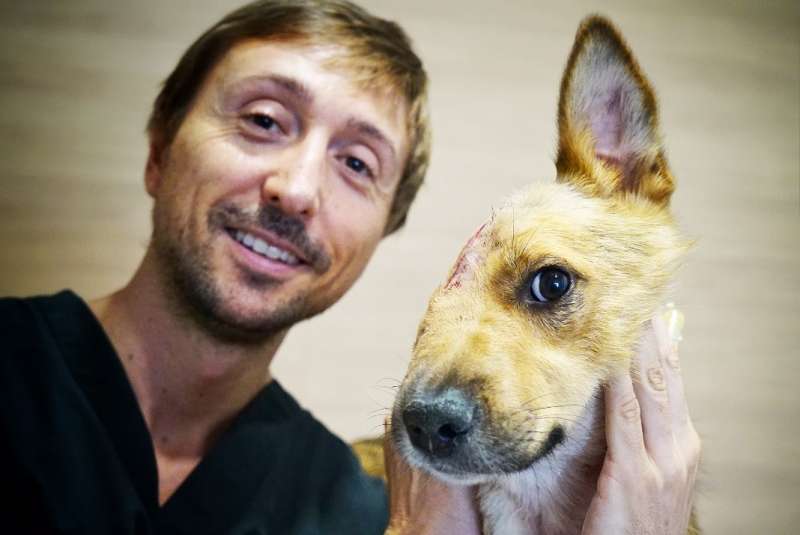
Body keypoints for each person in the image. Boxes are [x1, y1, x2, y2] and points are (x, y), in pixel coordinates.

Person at [0, 1, 700, 534]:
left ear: (381, 230)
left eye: (357, 163)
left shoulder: (371, 508)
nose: (297, 189)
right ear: (158, 149)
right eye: (264, 120)